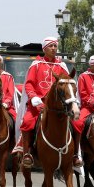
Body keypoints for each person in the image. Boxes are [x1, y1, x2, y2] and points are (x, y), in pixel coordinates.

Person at [16, 36, 82, 168]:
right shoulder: (36, 64)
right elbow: (29, 84)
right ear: (44, 49)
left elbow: (68, 83)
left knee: (78, 124)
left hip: (59, 106)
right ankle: (27, 153)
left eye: (55, 46)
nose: (53, 48)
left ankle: (75, 155)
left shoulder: (61, 66)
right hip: (38, 105)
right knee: (27, 121)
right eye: (50, 46)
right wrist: (34, 97)